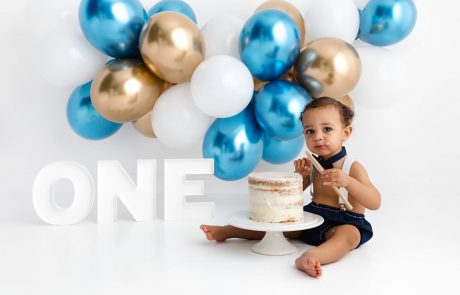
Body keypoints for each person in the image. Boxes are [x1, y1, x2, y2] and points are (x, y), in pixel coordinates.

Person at [200, 97, 381, 278]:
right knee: (277, 223)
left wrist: (348, 182)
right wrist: (299, 177)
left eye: (327, 129)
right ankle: (227, 231)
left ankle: (310, 257)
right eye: (310, 131)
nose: (318, 136)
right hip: (314, 217)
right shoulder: (313, 165)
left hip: (345, 222)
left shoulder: (352, 167)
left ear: (346, 133)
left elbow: (375, 202)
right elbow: (291, 197)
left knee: (349, 236)